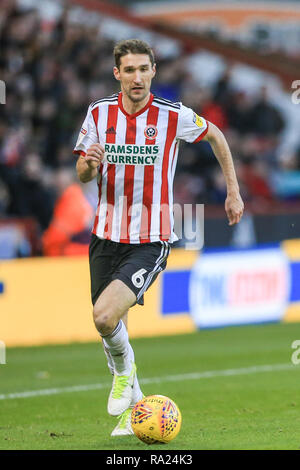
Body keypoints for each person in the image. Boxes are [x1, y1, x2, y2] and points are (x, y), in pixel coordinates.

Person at [73, 39, 244, 436]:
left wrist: (233, 191)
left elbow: (216, 135)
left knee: (104, 315)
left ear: (153, 72)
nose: (137, 77)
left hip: (151, 236)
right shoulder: (99, 114)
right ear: (117, 74)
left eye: (143, 69)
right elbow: (82, 172)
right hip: (104, 234)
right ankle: (131, 410)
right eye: (129, 70)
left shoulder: (172, 116)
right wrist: (89, 163)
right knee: (110, 325)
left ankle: (124, 372)